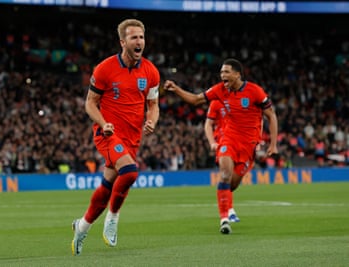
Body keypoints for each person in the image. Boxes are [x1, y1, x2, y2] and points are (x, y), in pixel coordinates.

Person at [71, 18, 160, 255]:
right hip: (108, 133)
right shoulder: (105, 68)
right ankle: (113, 217)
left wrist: (152, 120)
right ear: (123, 41)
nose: (139, 41)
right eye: (134, 37)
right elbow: (90, 103)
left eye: (141, 37)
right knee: (130, 172)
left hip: (132, 137)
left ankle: (82, 226)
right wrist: (103, 123)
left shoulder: (151, 71)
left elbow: (153, 104)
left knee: (108, 185)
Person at [164, 58, 278, 234]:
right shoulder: (219, 90)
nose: (222, 75)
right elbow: (195, 100)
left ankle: (227, 204)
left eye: (226, 72)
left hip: (248, 145)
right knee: (224, 174)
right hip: (228, 139)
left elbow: (271, 115)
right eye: (221, 72)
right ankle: (224, 219)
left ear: (237, 74)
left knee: (231, 184)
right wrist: (176, 89)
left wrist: (273, 144)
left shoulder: (254, 91)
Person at [205, 100, 239, 223]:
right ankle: (229, 211)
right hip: (223, 142)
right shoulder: (216, 102)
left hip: (238, 142)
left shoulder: (239, 99)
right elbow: (208, 124)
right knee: (226, 175)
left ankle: (229, 209)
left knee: (234, 176)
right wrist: (212, 142)